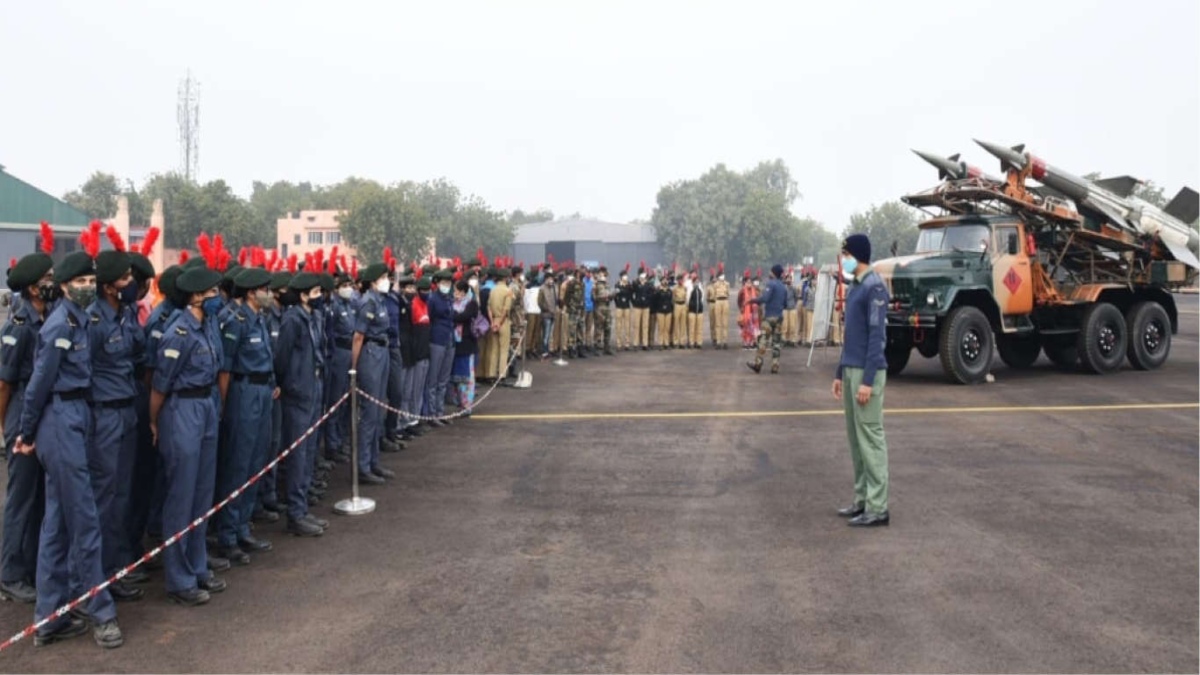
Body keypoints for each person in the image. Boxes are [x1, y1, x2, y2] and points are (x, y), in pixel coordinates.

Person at [17, 247, 124, 648]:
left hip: (76, 414)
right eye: (78, 282)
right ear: (62, 287)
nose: (86, 287)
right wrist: (26, 435)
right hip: (59, 420)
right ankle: (101, 612)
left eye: (89, 281)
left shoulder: (81, 319)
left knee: (59, 522)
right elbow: (38, 385)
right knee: (85, 519)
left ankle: (49, 616)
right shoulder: (59, 326)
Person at [150, 263, 228, 607]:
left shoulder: (207, 325)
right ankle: (178, 577)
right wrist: (154, 422)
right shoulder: (176, 333)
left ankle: (197, 566)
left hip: (205, 406)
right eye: (212, 292)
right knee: (181, 495)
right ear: (195, 296)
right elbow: (159, 387)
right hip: (181, 410)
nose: (217, 297)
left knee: (201, 493)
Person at [86, 246, 146, 602]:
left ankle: (115, 570)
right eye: (124, 279)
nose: (130, 284)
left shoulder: (125, 315)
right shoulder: (93, 320)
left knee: (122, 496)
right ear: (108, 286)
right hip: (104, 414)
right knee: (103, 500)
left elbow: (137, 355)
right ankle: (97, 580)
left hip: (126, 411)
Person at [0, 248, 56, 604]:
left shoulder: (49, 317)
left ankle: (34, 566)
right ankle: (10, 573)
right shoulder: (17, 328)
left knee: (39, 497)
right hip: (21, 410)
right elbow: (4, 384)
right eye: (47, 281)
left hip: (43, 409)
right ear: (33, 289)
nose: (52, 285)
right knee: (20, 499)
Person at [212, 266, 276, 564]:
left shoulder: (259, 319)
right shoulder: (234, 320)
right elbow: (224, 370)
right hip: (242, 393)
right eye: (266, 289)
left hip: (261, 392)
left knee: (255, 461)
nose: (270, 294)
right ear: (252, 292)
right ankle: (227, 534)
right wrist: (224, 407)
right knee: (237, 463)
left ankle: (242, 526)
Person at [832, 234, 890, 527]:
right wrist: (840, 372)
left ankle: (878, 507)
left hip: (868, 372)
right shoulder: (856, 287)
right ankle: (862, 500)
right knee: (856, 441)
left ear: (856, 255)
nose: (843, 259)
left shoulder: (874, 287)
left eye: (845, 254)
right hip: (852, 368)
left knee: (870, 438)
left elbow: (876, 338)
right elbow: (851, 335)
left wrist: (867, 380)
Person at [274, 271, 331, 532]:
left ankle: (303, 506)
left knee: (309, 451)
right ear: (303, 295)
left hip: (315, 385)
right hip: (299, 390)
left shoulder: (315, 316)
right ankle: (296, 513)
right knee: (298, 453)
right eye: (315, 292)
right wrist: (288, 385)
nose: (320, 297)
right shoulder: (292, 319)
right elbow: (282, 358)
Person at [350, 263, 394, 484]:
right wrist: (354, 367)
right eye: (384, 277)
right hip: (370, 352)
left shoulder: (380, 300)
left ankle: (374, 461)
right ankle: (363, 466)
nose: (387, 280)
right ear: (374, 280)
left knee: (377, 410)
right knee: (369, 412)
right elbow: (358, 336)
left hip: (382, 351)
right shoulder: (368, 300)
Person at [424, 269, 456, 424]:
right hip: (436, 340)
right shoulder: (433, 299)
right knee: (433, 379)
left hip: (449, 339)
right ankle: (432, 414)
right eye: (444, 282)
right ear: (437, 283)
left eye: (449, 282)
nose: (447, 285)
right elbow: (428, 320)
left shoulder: (449, 298)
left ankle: (440, 411)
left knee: (443, 379)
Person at [746, 264, 787, 374]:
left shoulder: (771, 284)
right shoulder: (783, 286)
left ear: (773, 273)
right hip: (779, 316)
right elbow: (786, 304)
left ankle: (758, 364)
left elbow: (765, 298)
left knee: (763, 340)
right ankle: (775, 366)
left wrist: (752, 300)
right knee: (776, 343)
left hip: (769, 317)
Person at [450, 280, 479, 412]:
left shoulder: (471, 303)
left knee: (467, 377)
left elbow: (464, 317)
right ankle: (459, 402)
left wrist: (453, 315)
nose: (454, 294)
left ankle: (467, 405)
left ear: (462, 292)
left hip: (467, 344)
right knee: (457, 376)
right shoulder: (453, 303)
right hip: (456, 343)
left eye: (456, 291)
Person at [708, 268, 730, 349]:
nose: (722, 276)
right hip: (718, 301)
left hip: (725, 301)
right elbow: (712, 295)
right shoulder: (715, 284)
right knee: (718, 323)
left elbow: (728, 293)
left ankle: (725, 341)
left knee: (725, 322)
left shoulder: (727, 284)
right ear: (718, 276)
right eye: (721, 275)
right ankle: (718, 341)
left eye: (723, 275)